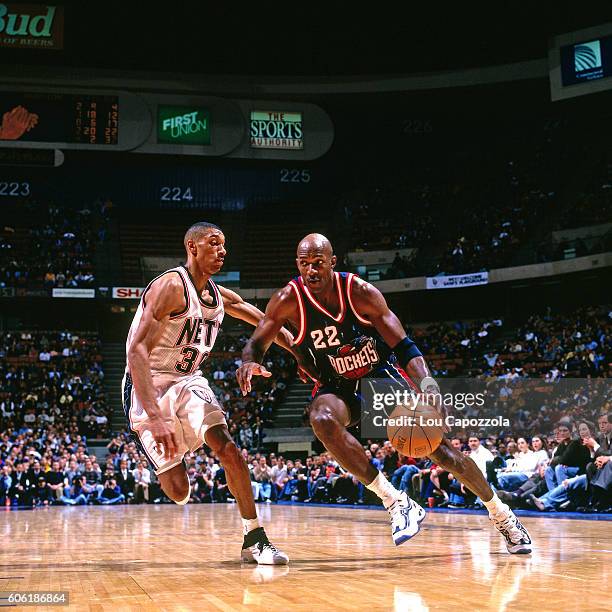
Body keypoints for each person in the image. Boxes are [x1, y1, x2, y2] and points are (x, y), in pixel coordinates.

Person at [237, 233, 532, 554]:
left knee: (443, 454)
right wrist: (250, 361)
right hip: (336, 387)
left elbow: (404, 346)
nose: (311, 271)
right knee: (320, 419)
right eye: (304, 264)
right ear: (298, 265)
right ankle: (396, 501)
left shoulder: (359, 292)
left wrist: (429, 387)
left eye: (318, 263)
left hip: (379, 380)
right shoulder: (287, 299)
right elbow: (257, 341)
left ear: (332, 262)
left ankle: (501, 514)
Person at [123, 221, 292, 564]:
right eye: (214, 243)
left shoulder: (218, 295)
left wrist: (302, 355)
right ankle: (166, 445)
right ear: (192, 247)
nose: (222, 250)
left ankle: (254, 538)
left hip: (188, 380)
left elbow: (266, 324)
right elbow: (136, 351)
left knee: (227, 446)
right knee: (179, 491)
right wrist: (155, 417)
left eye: (224, 245)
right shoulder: (170, 286)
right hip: (149, 384)